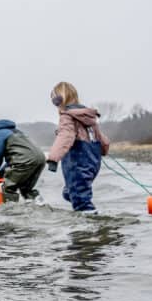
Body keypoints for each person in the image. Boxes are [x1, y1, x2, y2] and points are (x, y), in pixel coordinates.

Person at [46, 82, 110, 215]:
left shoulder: (67, 116)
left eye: (55, 101)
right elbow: (102, 138)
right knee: (71, 192)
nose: (56, 105)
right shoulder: (88, 117)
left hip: (77, 162)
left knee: (81, 202)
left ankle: (90, 228)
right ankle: (77, 199)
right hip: (93, 162)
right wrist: (104, 150)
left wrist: (53, 158)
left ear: (61, 100)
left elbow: (66, 136)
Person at [0, 119, 44, 203]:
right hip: (40, 159)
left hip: (24, 161)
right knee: (26, 189)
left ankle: (10, 213)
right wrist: (0, 174)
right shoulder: (13, 131)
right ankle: (40, 205)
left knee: (8, 189)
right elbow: (14, 158)